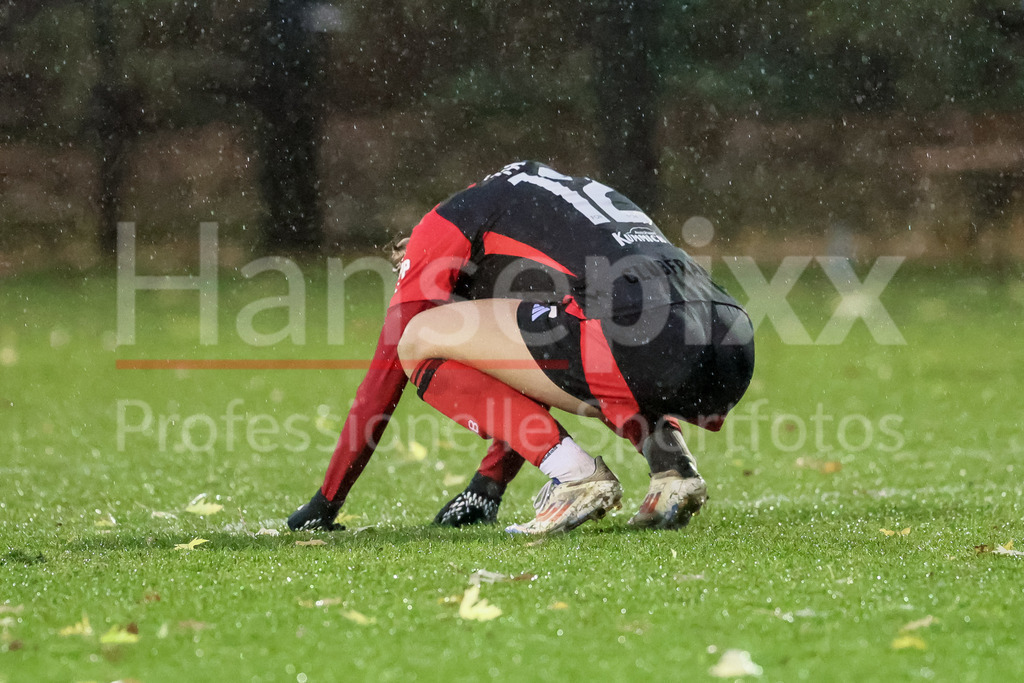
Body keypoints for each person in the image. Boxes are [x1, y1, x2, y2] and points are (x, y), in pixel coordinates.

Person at [288, 161, 754, 535]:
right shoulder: (534, 206)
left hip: (637, 337)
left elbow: (386, 371)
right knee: (587, 345)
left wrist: (326, 502)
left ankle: (577, 477)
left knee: (418, 340)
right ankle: (672, 469)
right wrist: (487, 485)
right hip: (728, 338)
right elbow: (530, 370)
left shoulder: (443, 225)